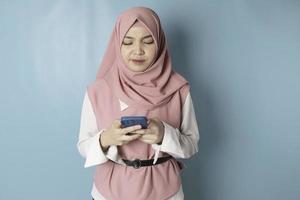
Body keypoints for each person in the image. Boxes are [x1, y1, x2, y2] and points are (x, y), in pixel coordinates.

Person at [77, 6, 200, 200]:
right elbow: (83, 145)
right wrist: (106, 139)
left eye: (148, 41)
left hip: (165, 192)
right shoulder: (98, 91)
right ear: (118, 44)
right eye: (128, 42)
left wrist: (164, 134)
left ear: (159, 43)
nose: (138, 50)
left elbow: (191, 145)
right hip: (108, 192)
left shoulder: (179, 90)